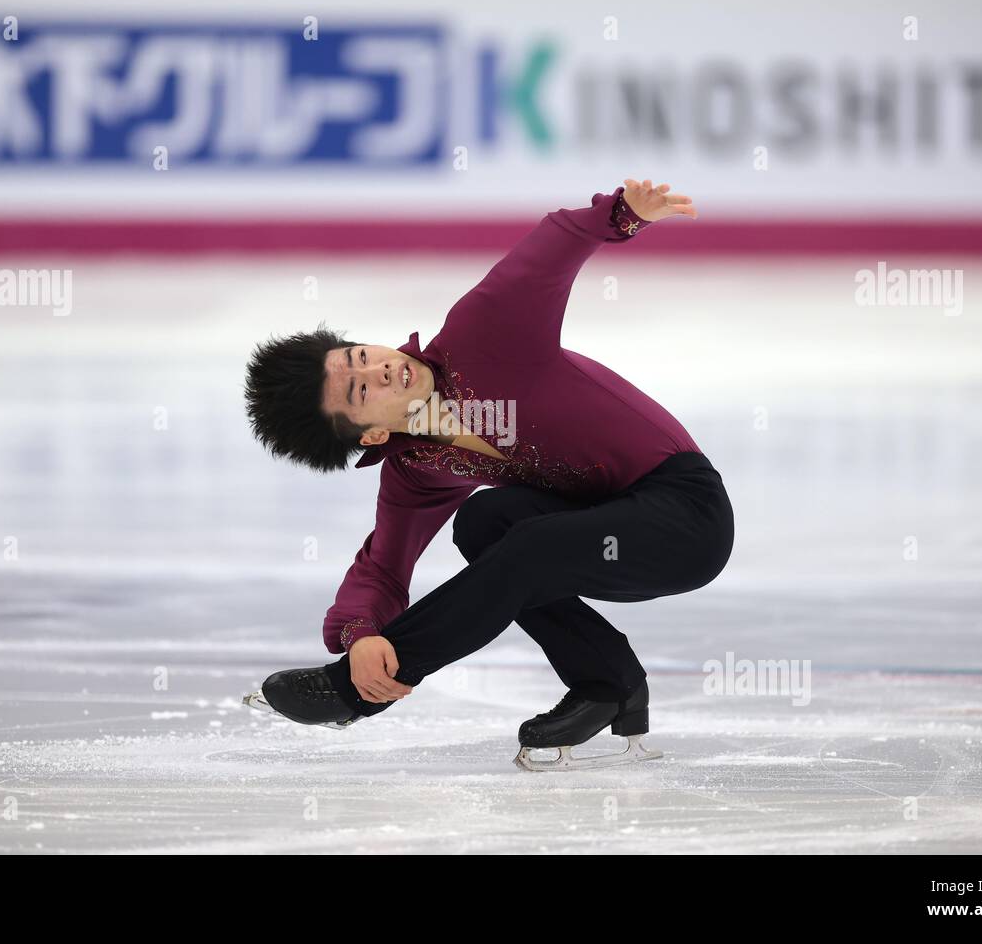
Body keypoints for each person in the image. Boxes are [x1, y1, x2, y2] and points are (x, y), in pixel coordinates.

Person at [241, 179, 734, 769]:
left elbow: (550, 247)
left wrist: (626, 214)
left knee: (527, 543)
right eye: (359, 390)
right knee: (483, 524)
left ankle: (355, 695)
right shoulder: (417, 467)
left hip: (685, 517)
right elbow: (382, 567)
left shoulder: (483, 334)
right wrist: (360, 635)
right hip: (601, 529)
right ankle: (607, 682)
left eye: (360, 356)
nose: (380, 369)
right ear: (370, 435)